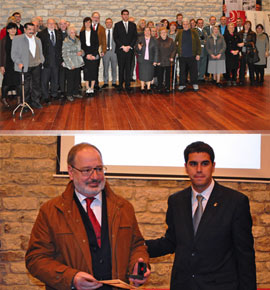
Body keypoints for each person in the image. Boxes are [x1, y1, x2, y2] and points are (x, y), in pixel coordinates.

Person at [25, 143, 150, 290]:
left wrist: (139, 263)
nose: (95, 176)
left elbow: (137, 246)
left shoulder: (124, 208)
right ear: (71, 172)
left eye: (98, 169)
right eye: (87, 171)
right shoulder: (50, 211)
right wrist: (71, 278)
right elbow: (36, 259)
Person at [146, 141, 257, 290]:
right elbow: (172, 241)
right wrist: (137, 246)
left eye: (204, 164)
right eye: (193, 164)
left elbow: (245, 256)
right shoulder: (176, 201)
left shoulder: (236, 202)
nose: (199, 170)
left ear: (213, 166)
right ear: (186, 167)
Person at [11, 22, 44, 109]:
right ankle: (25, 104)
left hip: (36, 66)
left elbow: (41, 53)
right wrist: (18, 62)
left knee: (36, 85)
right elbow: (14, 54)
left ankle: (35, 102)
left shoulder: (38, 40)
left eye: (32, 29)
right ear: (24, 29)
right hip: (24, 66)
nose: (31, 31)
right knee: (25, 87)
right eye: (29, 29)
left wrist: (41, 61)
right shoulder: (17, 39)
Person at [37, 18, 62, 104]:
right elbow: (39, 48)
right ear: (47, 24)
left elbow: (60, 48)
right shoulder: (41, 34)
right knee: (45, 80)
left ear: (55, 25)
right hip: (45, 61)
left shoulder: (59, 34)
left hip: (56, 61)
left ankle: (54, 94)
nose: (51, 25)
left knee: (55, 79)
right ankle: (45, 96)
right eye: (50, 24)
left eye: (53, 24)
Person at [113, 9, 137, 92]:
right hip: (121, 50)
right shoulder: (117, 25)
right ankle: (120, 86)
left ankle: (127, 85)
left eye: (127, 14)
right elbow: (115, 38)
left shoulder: (133, 25)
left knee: (128, 68)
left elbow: (135, 37)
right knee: (121, 68)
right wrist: (123, 46)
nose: (125, 16)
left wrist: (129, 46)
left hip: (129, 50)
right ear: (121, 15)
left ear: (128, 15)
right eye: (124, 14)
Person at [175, 18, 201, 92]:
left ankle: (195, 83)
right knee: (182, 71)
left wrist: (198, 54)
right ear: (182, 25)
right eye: (184, 24)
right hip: (182, 56)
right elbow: (176, 41)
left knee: (193, 71)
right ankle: (182, 84)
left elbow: (198, 43)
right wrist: (177, 50)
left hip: (192, 55)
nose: (185, 25)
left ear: (189, 25)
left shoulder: (194, 32)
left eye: (187, 24)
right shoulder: (179, 32)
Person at [0, 22, 20, 108]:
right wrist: (1, 66)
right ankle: (3, 98)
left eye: (14, 29)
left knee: (18, 82)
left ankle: (19, 99)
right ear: (7, 30)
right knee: (6, 83)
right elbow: (1, 54)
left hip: (17, 64)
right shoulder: (3, 40)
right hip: (7, 64)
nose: (13, 30)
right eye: (11, 29)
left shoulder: (19, 39)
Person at [62, 25, 84, 102]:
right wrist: (70, 65)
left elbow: (81, 50)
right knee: (70, 80)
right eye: (71, 32)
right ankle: (69, 94)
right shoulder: (65, 42)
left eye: (74, 32)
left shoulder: (78, 40)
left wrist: (81, 52)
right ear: (68, 33)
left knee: (77, 79)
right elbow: (64, 54)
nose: (73, 34)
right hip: (70, 64)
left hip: (78, 63)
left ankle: (75, 93)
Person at [135, 26, 158, 93]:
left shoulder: (154, 40)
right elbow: (136, 50)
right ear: (144, 32)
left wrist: (155, 60)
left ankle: (148, 87)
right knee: (142, 73)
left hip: (150, 60)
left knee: (149, 73)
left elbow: (156, 51)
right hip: (142, 59)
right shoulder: (140, 39)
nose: (147, 32)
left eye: (148, 30)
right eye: (145, 31)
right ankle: (142, 87)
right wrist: (139, 48)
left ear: (150, 32)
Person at [80, 17, 99, 95]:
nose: (87, 24)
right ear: (84, 23)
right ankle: (87, 88)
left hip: (93, 55)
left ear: (91, 23)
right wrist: (87, 55)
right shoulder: (81, 33)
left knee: (93, 71)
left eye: (89, 22)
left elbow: (96, 44)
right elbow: (82, 45)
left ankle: (92, 88)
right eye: (86, 22)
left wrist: (93, 55)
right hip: (86, 55)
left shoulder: (94, 33)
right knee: (87, 72)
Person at [156, 27, 176, 93]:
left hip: (168, 60)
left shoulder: (171, 40)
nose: (163, 34)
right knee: (160, 75)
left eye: (164, 32)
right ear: (160, 33)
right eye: (162, 32)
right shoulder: (157, 41)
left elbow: (174, 49)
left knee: (168, 75)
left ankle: (167, 87)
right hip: (160, 60)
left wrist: (172, 57)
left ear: (166, 33)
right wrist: (157, 60)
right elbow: (156, 51)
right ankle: (159, 87)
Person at [238, 20, 256, 85]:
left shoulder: (253, 33)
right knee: (242, 67)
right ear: (244, 25)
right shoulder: (240, 33)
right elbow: (238, 42)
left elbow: (253, 43)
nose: (247, 26)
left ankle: (252, 80)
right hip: (242, 53)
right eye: (246, 24)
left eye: (248, 25)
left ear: (250, 26)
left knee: (251, 67)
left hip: (250, 52)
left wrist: (244, 44)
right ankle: (241, 80)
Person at [91, 12, 106, 91]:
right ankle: (90, 84)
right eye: (94, 17)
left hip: (97, 51)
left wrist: (103, 50)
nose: (96, 19)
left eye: (97, 17)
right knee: (89, 68)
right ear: (92, 18)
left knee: (96, 68)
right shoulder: (87, 27)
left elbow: (104, 41)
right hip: (89, 52)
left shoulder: (102, 28)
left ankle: (96, 84)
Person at [102, 18, 118, 88]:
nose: (109, 24)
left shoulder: (115, 31)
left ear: (112, 23)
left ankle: (114, 82)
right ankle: (105, 82)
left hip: (114, 51)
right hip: (105, 52)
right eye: (107, 22)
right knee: (105, 67)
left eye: (110, 22)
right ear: (105, 23)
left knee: (114, 67)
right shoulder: (103, 31)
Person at [58, 19, 69, 97]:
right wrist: (61, 60)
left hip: (69, 58)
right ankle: (62, 91)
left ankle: (69, 91)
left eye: (64, 24)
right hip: (61, 59)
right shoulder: (57, 34)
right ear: (59, 25)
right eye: (61, 24)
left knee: (69, 75)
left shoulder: (69, 33)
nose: (63, 25)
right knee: (61, 76)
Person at [196, 18, 208, 82]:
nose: (200, 24)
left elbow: (207, 40)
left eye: (201, 23)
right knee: (197, 65)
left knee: (203, 65)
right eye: (199, 23)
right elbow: (197, 40)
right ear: (197, 24)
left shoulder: (204, 31)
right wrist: (203, 41)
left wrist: (203, 41)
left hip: (205, 50)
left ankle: (201, 77)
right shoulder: (195, 31)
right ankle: (197, 77)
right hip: (199, 50)